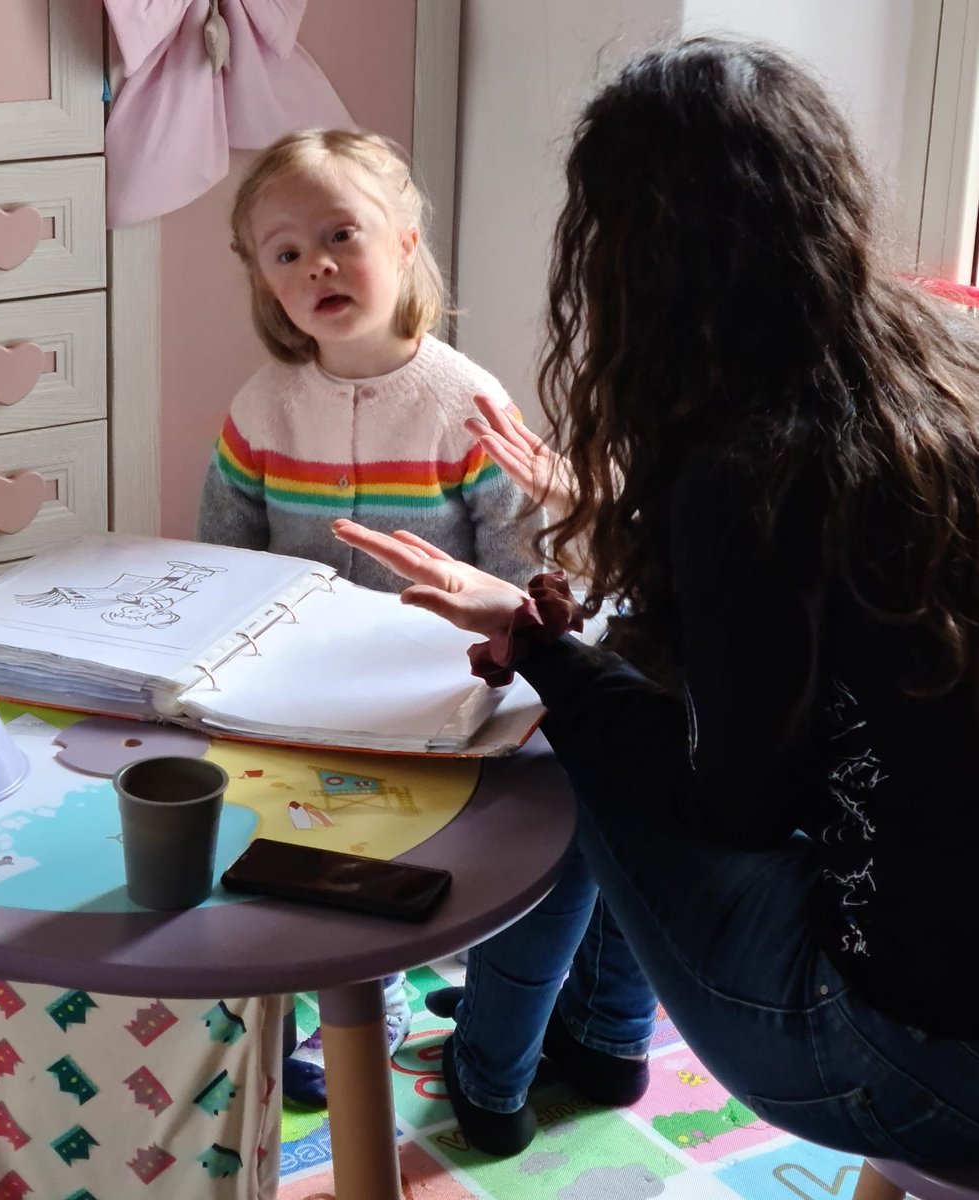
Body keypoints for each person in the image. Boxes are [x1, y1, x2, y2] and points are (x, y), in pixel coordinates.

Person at [333, 36, 979, 1164]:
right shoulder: (931, 377)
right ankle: (598, 1033)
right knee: (616, 681)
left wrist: (544, 653)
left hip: (900, 1058)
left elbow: (726, 802)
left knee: (576, 733)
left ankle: (492, 1067)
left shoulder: (746, 473)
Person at [196, 128, 551, 1107]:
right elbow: (217, 558)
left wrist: (500, 669)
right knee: (294, 842)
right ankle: (301, 993)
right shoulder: (262, 407)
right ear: (265, 283)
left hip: (430, 692)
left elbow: (521, 567)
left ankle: (375, 1001)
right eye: (284, 252)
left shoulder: (463, 400)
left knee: (397, 853)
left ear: (401, 241)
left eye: (340, 233)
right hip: (296, 688)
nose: (315, 263)